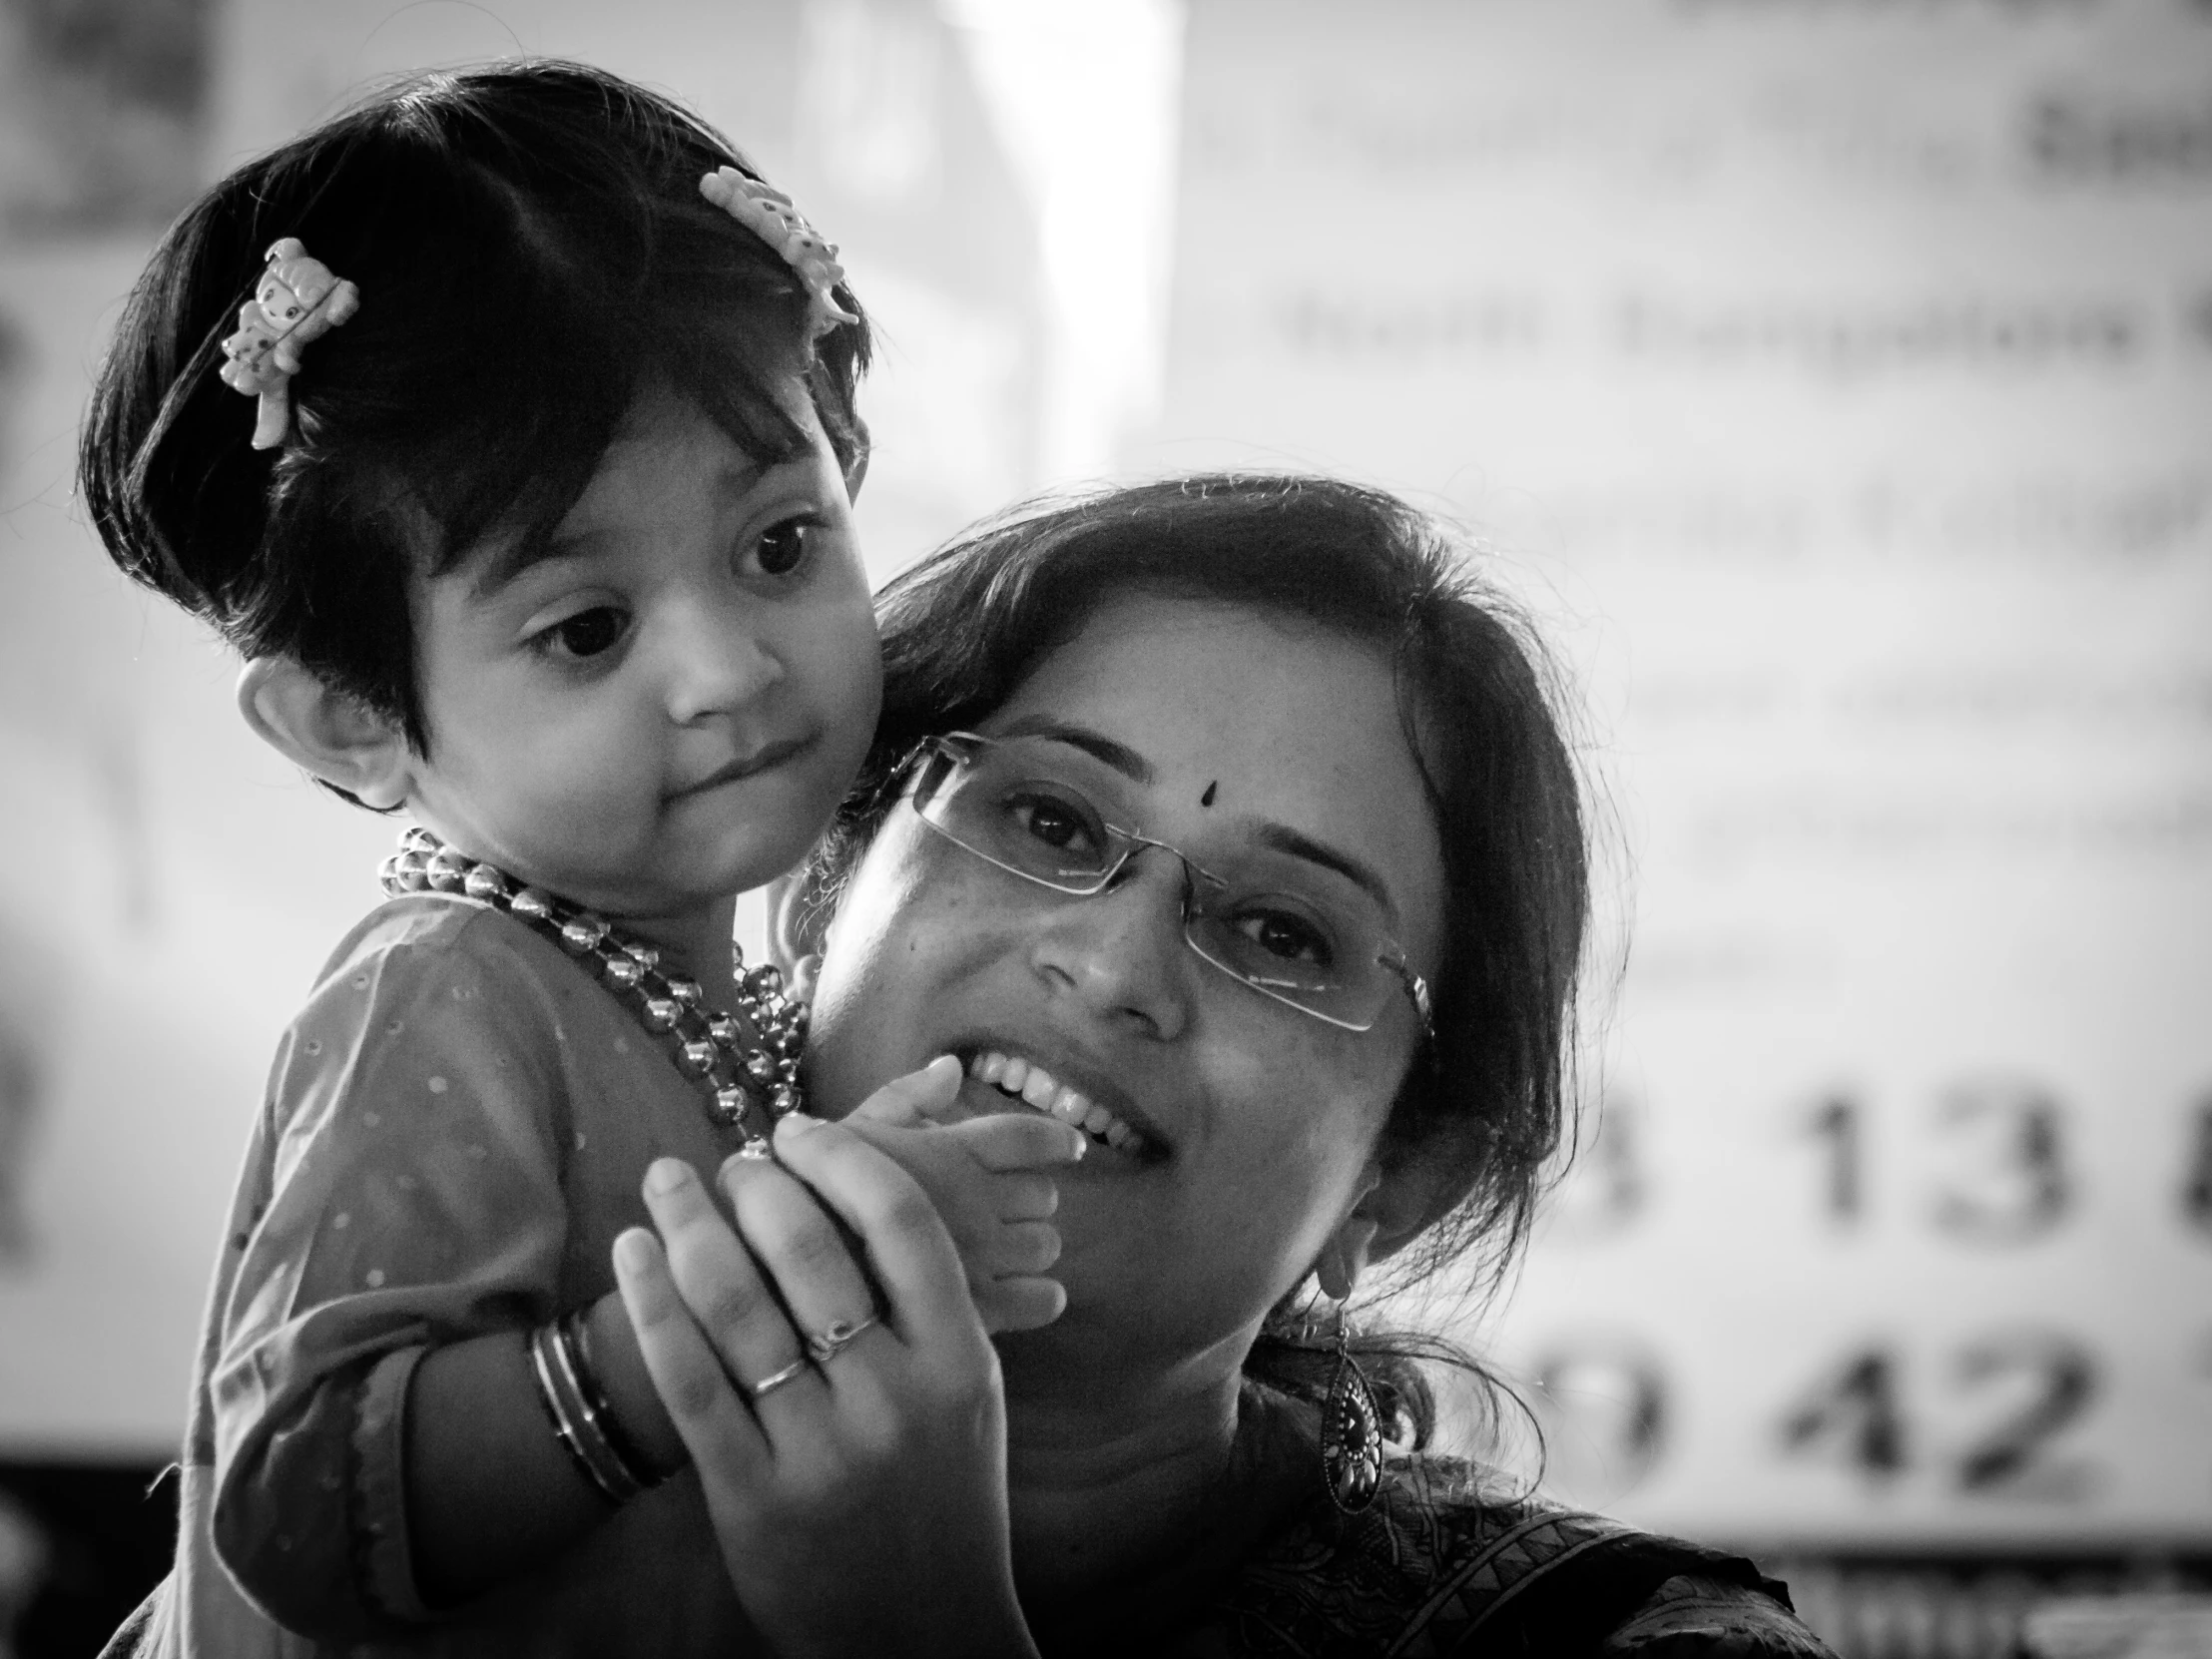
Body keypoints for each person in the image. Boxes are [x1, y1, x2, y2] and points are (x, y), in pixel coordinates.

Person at [80, 62, 1085, 1657]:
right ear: (352, 719)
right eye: (587, 627)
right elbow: (302, 1497)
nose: (728, 670)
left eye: (778, 545)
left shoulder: (687, 974)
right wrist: (767, 1284)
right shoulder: (446, 990)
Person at [609, 475, 1843, 1656]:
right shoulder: (448, 1436)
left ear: (1397, 1183)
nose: (1111, 966)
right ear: (821, 896)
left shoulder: (1627, 1643)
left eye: (1280, 932)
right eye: (1048, 817)